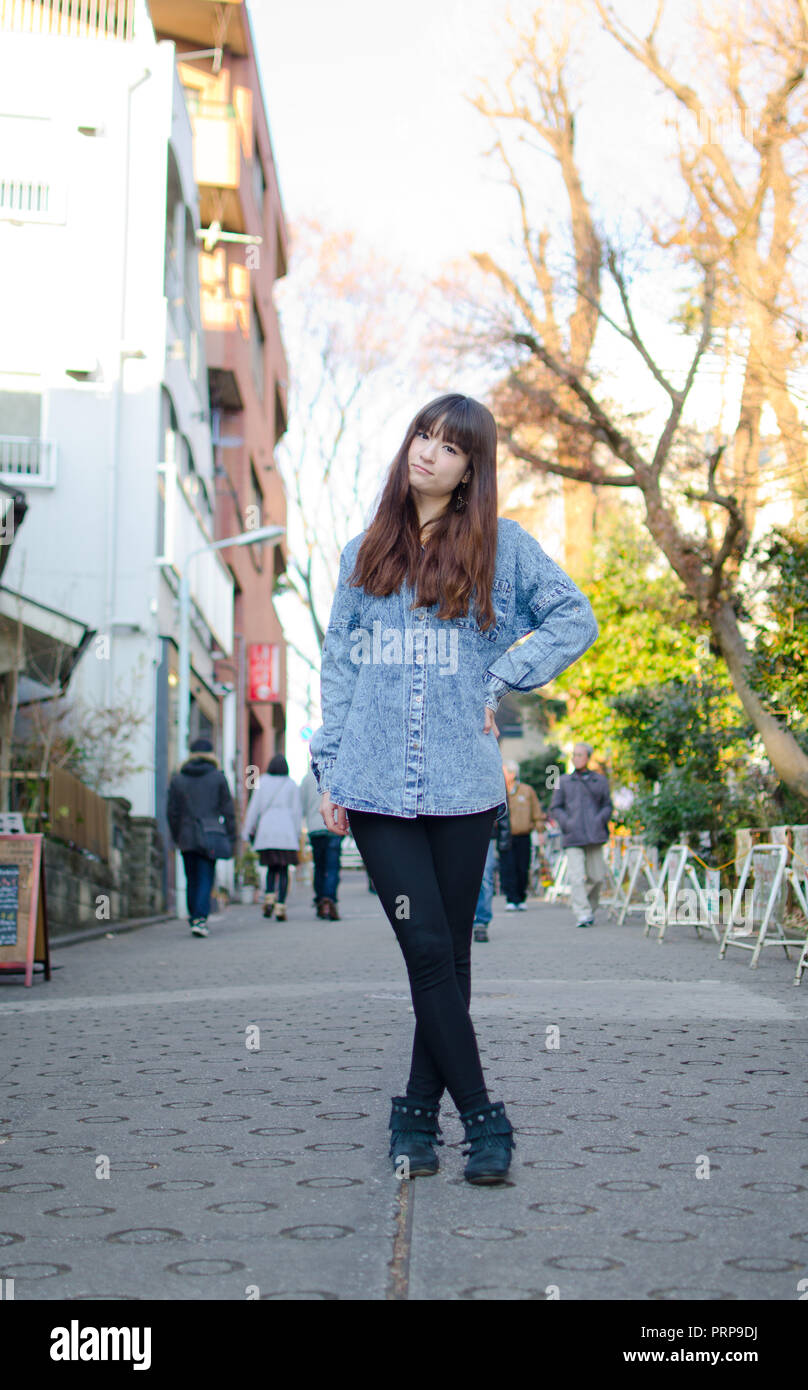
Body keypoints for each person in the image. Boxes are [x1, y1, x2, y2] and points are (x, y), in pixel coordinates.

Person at [309, 392, 599, 1184]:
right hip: (372, 782)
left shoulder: (504, 550)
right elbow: (338, 666)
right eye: (421, 437)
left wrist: (503, 676)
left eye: (447, 445)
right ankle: (483, 1116)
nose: (426, 453)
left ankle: (412, 1117)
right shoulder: (364, 553)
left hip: (464, 787)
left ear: (472, 467)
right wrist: (328, 766)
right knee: (430, 945)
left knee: (451, 961)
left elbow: (575, 618)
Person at [166, 736, 236, 938]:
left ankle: (194, 917)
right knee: (206, 877)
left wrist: (176, 834)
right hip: (210, 833)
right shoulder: (218, 777)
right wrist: (231, 836)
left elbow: (172, 811)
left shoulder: (178, 779)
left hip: (186, 835)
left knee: (192, 878)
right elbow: (228, 810)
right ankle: (200, 919)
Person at [549, 741, 613, 928]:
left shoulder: (599, 780)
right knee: (576, 877)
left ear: (588, 758)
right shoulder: (563, 781)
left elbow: (607, 805)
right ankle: (582, 913)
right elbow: (555, 807)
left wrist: (600, 819)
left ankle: (590, 910)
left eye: (579, 755)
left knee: (597, 878)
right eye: (574, 755)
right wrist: (567, 823)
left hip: (595, 835)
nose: (576, 758)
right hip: (573, 836)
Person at [242, 754, 302, 922]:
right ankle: (280, 906)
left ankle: (268, 898)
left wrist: (247, 829)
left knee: (271, 868)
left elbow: (254, 807)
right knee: (283, 870)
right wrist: (297, 833)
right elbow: (297, 812)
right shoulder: (291, 784)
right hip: (286, 832)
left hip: (267, 832)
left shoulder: (262, 781)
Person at [499, 760, 546, 911]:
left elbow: (536, 812)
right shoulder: (500, 791)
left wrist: (540, 831)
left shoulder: (527, 791)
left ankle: (521, 897)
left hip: (524, 835)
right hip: (506, 836)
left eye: (505, 772)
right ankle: (511, 898)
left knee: (522, 867)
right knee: (508, 867)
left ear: (512, 774)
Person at [299, 767, 343, 919]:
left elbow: (302, 806)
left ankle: (320, 900)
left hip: (315, 828)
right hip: (335, 826)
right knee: (332, 866)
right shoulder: (338, 774)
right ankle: (329, 899)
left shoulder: (307, 779)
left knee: (319, 866)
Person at [472, 799, 511, 942]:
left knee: (485, 876)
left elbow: (502, 804)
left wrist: (504, 839)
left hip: (484, 829)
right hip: (453, 825)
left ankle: (481, 922)